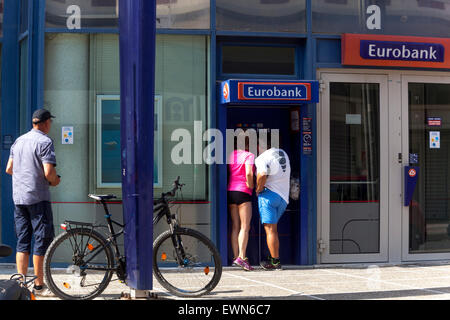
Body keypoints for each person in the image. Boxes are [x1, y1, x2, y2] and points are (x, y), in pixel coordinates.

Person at [5, 109, 61, 296]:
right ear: (45, 123)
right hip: (38, 198)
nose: (50, 125)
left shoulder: (19, 141)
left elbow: (9, 168)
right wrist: (55, 180)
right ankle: (38, 285)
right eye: (50, 122)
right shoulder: (45, 142)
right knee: (41, 240)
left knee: (22, 241)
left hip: (19, 198)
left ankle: (20, 285)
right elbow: (49, 173)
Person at [255, 133, 290, 270]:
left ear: (260, 145)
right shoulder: (283, 153)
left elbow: (262, 174)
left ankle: (275, 262)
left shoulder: (262, 158)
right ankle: (273, 256)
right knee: (273, 230)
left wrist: (258, 189)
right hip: (283, 197)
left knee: (270, 230)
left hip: (269, 196)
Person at [227, 130, 255, 271]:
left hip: (231, 191)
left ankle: (234, 257)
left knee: (235, 226)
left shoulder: (231, 154)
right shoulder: (249, 155)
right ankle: (242, 258)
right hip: (244, 192)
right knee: (245, 226)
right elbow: (249, 172)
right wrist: (251, 185)